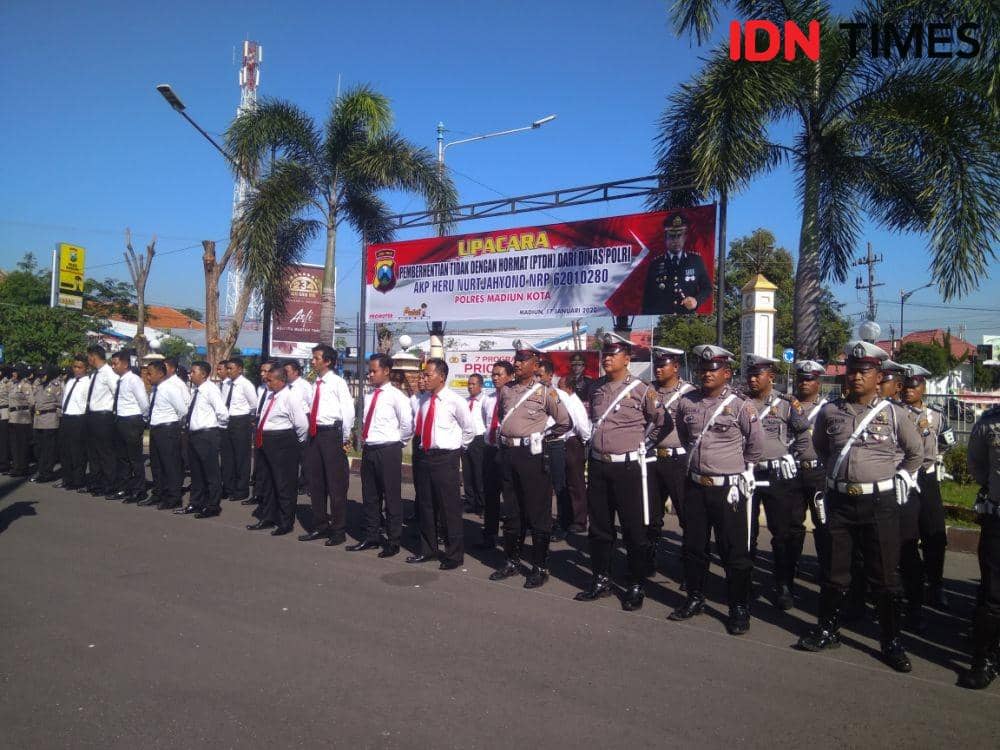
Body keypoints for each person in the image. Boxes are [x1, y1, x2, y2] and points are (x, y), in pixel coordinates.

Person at [796, 341, 923, 673]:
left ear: (878, 376)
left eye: (863, 371)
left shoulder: (894, 414)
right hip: (840, 501)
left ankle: (891, 641)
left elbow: (916, 453)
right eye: (851, 371)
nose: (855, 377)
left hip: (879, 503)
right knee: (835, 571)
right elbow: (822, 448)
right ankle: (828, 629)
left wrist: (903, 478)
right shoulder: (831, 411)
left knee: (884, 576)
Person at [668, 345, 763, 635]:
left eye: (713, 370)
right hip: (696, 485)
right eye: (702, 369)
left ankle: (738, 607)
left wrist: (741, 471)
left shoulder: (741, 406)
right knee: (694, 547)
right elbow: (686, 438)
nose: (706, 374)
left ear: (726, 373)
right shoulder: (687, 402)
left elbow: (755, 445)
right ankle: (695, 597)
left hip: (728, 489)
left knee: (734, 551)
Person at [575, 333, 670, 609]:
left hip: (628, 467)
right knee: (600, 529)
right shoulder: (596, 388)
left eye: (612, 354)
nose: (606, 359)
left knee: (634, 530)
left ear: (627, 359)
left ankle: (636, 584)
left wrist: (645, 444)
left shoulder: (642, 390)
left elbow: (663, 423)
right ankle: (600, 580)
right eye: (604, 355)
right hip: (598, 465)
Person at [490, 342, 570, 588]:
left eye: (523, 360)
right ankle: (512, 561)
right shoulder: (506, 390)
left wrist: (543, 438)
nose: (517, 364)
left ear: (535, 364)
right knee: (512, 511)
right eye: (516, 359)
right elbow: (503, 417)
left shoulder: (546, 392)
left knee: (537, 512)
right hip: (508, 454)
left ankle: (539, 566)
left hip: (532, 456)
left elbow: (565, 422)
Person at [744, 354, 812, 610]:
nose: (752, 379)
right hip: (748, 472)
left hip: (778, 474)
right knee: (746, 531)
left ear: (770, 377)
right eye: (750, 374)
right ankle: (746, 580)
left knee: (782, 533)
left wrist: (794, 458)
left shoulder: (786, 404)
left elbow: (803, 435)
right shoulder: (741, 403)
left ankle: (783, 584)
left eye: (757, 374)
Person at [898, 363, 952, 629]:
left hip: (928, 477)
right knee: (907, 536)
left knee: (935, 534)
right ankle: (911, 590)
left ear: (923, 388)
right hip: (905, 478)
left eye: (914, 385)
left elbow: (947, 441)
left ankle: (936, 584)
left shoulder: (937, 415)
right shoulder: (894, 413)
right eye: (906, 385)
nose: (909, 390)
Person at [408, 358, 474, 570]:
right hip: (425, 456)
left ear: (441, 377)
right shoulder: (424, 400)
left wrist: (455, 449)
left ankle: (454, 555)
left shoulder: (456, 401)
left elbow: (469, 429)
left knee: (449, 508)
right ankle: (428, 550)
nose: (424, 378)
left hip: (446, 459)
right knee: (426, 506)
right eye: (423, 375)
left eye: (428, 375)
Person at [350, 354, 413, 557]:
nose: (370, 374)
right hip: (370, 449)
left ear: (386, 371)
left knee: (391, 496)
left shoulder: (397, 397)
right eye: (369, 370)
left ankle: (393, 541)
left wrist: (396, 443)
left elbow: (407, 426)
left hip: (388, 449)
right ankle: (371, 536)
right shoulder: (368, 396)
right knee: (370, 495)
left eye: (374, 371)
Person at [297, 345, 354, 545]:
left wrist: (344, 437)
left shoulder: (337, 383)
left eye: (316, 358)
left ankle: (338, 530)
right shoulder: (315, 383)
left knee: (336, 485)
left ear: (327, 361)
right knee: (316, 482)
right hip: (315, 435)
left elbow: (348, 411)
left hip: (332, 435)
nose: (313, 361)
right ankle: (320, 526)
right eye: (313, 358)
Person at [962, 404, 1000, 689]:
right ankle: (983, 660)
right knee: (993, 593)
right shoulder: (990, 422)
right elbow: (976, 465)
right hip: (998, 518)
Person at [647, 346, 695, 574]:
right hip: (651, 459)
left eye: (662, 365)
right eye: (656, 364)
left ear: (675, 367)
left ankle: (689, 563)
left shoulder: (690, 393)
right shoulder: (647, 390)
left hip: (678, 460)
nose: (658, 369)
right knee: (650, 514)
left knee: (687, 514)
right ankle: (650, 557)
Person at [247, 366, 309, 535]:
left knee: (284, 483)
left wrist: (297, 442)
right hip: (266, 441)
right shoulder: (270, 396)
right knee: (267, 481)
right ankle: (268, 517)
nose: (267, 383)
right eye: (266, 380)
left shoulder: (290, 397)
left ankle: (285, 521)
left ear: (281, 380)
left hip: (283, 442)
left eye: (270, 380)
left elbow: (302, 424)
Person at [793, 360, 831, 581]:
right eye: (801, 379)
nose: (804, 383)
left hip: (818, 474)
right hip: (793, 473)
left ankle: (826, 568)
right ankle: (792, 566)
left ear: (818, 382)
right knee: (793, 525)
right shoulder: (786, 406)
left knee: (823, 523)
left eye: (809, 379)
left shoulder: (829, 408)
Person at [176, 361, 229, 518]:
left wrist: (213, 431)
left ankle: (212, 505)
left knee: (211, 473)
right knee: (196, 472)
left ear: (204, 374)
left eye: (193, 372)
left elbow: (223, 413)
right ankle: (195, 503)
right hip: (194, 435)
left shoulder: (210, 390)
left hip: (206, 435)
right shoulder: (196, 390)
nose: (190, 375)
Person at [641, 213, 712, 315]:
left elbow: (707, 288)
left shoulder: (695, 261)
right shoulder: (655, 264)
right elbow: (647, 300)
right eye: (672, 236)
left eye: (679, 236)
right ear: (665, 238)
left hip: (687, 318)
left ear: (685, 237)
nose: (676, 240)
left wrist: (696, 300)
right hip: (662, 319)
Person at [144, 360, 190, 510]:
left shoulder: (170, 388)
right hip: (156, 429)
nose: (148, 377)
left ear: (161, 373)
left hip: (168, 429)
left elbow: (183, 410)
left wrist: (172, 423)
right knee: (156, 465)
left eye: (150, 374)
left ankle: (173, 497)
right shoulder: (156, 389)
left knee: (170, 465)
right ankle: (158, 494)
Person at [477, 360, 513, 549]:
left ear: (510, 376)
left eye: (499, 374)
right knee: (490, 495)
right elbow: (485, 421)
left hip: (508, 452)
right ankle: (489, 535)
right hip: (490, 451)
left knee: (510, 497)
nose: (495, 378)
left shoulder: (515, 399)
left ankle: (510, 539)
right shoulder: (488, 399)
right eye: (493, 374)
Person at [108, 351, 149, 502]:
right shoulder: (121, 380)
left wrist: (141, 420)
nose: (113, 366)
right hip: (120, 419)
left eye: (115, 363)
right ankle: (124, 487)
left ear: (125, 364)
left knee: (135, 459)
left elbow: (144, 402)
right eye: (112, 363)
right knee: (122, 458)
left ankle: (139, 490)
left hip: (132, 420)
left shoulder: (134, 380)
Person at [556, 375, 591, 534]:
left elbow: (583, 428)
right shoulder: (564, 401)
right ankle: (566, 518)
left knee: (576, 483)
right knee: (564, 483)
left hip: (573, 443)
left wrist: (581, 442)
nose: (558, 390)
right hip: (562, 444)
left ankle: (580, 520)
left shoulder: (574, 403)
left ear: (569, 388)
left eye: (561, 386)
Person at [221, 357, 259, 503]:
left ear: (240, 369)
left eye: (231, 368)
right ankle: (228, 487)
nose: (228, 371)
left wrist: (245, 419)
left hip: (241, 421)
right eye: (227, 368)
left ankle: (241, 489)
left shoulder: (245, 384)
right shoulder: (226, 384)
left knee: (241, 457)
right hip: (227, 421)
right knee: (228, 457)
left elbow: (253, 404)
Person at [84, 345, 118, 496]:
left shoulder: (108, 373)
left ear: (93, 356)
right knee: (93, 452)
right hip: (92, 416)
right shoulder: (95, 374)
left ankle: (109, 484)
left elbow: (117, 393)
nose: (88, 360)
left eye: (88, 357)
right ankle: (95, 483)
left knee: (105, 453)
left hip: (104, 417)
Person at [55, 356, 90, 491]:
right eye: (74, 366)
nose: (76, 369)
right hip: (66, 417)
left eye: (79, 367)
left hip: (79, 418)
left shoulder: (88, 383)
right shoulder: (70, 381)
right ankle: (67, 479)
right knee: (65, 451)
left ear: (86, 369)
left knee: (78, 452)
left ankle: (78, 481)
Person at [30, 366, 62, 483]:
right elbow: (33, 399)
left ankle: (47, 473)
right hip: (38, 419)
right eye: (40, 374)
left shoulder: (55, 386)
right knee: (38, 448)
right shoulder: (39, 385)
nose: (41, 376)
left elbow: (60, 403)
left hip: (49, 419)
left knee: (48, 449)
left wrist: (58, 418)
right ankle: (41, 470)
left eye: (43, 374)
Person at [462, 373, 487, 515]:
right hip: (466, 440)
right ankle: (470, 502)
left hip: (479, 440)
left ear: (480, 385)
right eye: (469, 384)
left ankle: (482, 504)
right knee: (468, 473)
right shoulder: (465, 402)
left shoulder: (485, 401)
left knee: (479, 473)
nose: (470, 387)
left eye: (473, 384)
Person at [7, 365, 34, 477]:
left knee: (22, 445)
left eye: (16, 372)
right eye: (13, 372)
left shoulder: (25, 385)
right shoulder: (13, 385)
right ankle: (16, 467)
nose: (13, 373)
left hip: (22, 418)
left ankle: (23, 468)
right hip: (13, 417)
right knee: (14, 444)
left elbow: (31, 402)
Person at [0, 365, 12, 474]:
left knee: (3, 440)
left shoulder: (7, 383)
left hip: (4, 412)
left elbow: (11, 398)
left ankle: (4, 463)